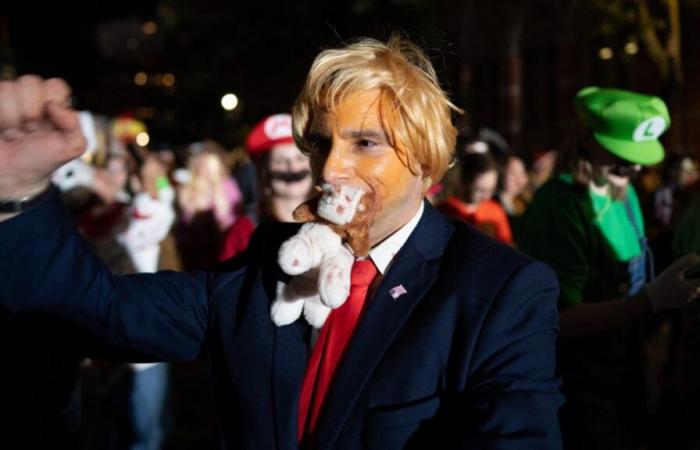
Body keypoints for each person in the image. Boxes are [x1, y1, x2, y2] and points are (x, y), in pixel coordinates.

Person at [0, 36, 562, 449]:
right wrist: (19, 187)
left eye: (365, 142)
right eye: (319, 143)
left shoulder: (499, 290)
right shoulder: (269, 264)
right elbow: (102, 313)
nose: (330, 169)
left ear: (424, 154)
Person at [518, 87, 700, 449]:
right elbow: (556, 320)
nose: (632, 167)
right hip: (577, 387)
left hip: (625, 372)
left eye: (637, 158)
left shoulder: (625, 192)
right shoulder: (560, 207)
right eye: (618, 154)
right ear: (584, 139)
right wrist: (648, 301)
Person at [219, 113, 313, 260]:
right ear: (265, 174)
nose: (293, 168)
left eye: (299, 158)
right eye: (280, 161)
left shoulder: (331, 223)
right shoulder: (244, 231)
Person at [438, 151, 513, 245]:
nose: (487, 196)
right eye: (481, 190)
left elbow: (506, 247)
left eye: (491, 190)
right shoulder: (446, 210)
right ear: (465, 182)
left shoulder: (495, 212)